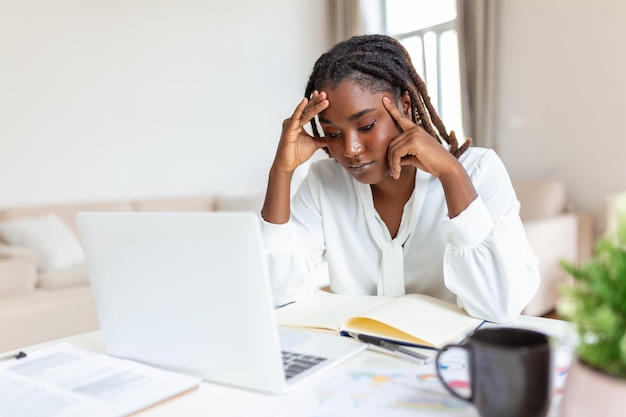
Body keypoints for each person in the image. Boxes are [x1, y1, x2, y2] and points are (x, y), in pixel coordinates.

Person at [260, 34, 539, 323]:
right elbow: (278, 294)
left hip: (451, 360)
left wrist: (451, 173)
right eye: (333, 134)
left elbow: (500, 305)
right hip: (359, 360)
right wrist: (281, 172)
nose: (350, 149)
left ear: (405, 105)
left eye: (366, 125)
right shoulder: (323, 182)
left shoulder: (479, 170)